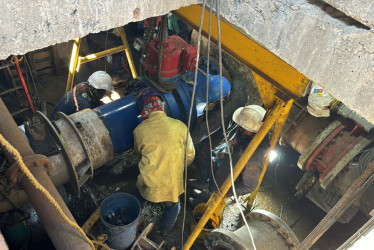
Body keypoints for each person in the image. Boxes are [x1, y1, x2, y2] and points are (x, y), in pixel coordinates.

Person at [133, 92, 195, 237]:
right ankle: (165, 231)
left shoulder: (139, 130)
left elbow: (139, 153)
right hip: (172, 187)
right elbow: (190, 155)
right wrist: (176, 165)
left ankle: (132, 220)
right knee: (173, 207)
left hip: (148, 184)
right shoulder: (180, 126)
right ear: (162, 107)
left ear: (144, 110)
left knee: (139, 196)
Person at [189, 105, 269, 207]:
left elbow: (249, 186)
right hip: (230, 164)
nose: (238, 127)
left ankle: (204, 204)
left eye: (241, 127)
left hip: (232, 180)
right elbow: (238, 143)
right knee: (216, 177)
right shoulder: (253, 130)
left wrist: (225, 192)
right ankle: (208, 194)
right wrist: (227, 153)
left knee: (218, 187)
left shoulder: (255, 157)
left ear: (248, 130)